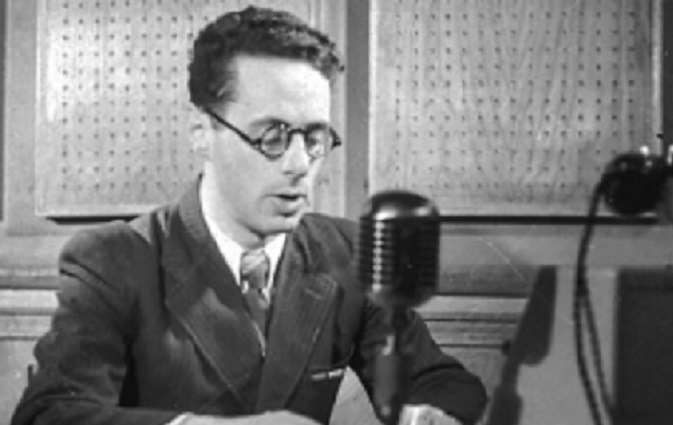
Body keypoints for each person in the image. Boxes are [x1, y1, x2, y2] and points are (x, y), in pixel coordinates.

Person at [11, 6, 487, 425]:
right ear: (203, 132)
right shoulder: (116, 259)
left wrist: (429, 415)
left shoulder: (347, 253)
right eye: (272, 136)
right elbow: (50, 414)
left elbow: (441, 382)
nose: (299, 164)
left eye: (314, 138)